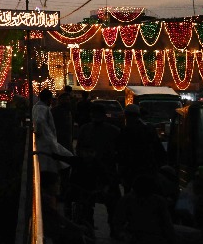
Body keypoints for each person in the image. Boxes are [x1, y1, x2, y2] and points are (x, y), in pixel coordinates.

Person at [73, 102, 122, 235]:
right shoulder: (113, 131)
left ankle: (94, 229)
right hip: (102, 173)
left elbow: (79, 150)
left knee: (93, 205)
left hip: (96, 173)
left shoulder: (86, 129)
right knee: (107, 204)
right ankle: (112, 229)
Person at [118, 104, 165, 193]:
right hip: (147, 168)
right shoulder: (149, 129)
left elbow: (121, 153)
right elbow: (158, 149)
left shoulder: (125, 131)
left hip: (132, 170)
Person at [34, 89, 74, 179]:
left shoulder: (39, 107)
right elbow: (39, 121)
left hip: (55, 140)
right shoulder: (45, 109)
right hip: (52, 141)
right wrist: (40, 132)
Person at [52, 87, 75, 153]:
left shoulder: (69, 110)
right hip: (59, 137)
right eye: (65, 99)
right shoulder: (56, 110)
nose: (67, 101)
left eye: (68, 99)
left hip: (67, 136)